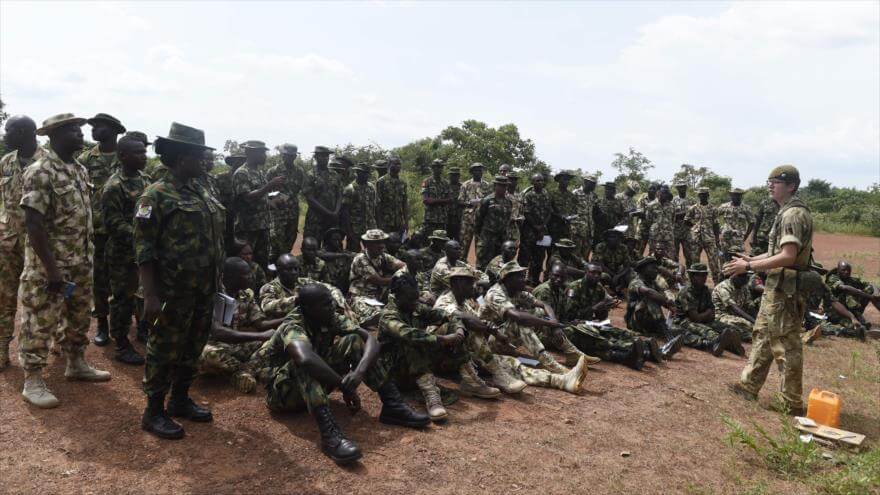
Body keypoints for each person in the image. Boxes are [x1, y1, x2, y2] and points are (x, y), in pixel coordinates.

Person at [264, 283, 430, 465]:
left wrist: (359, 372)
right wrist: (344, 387)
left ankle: (393, 406)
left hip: (315, 386)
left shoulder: (328, 317)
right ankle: (330, 436)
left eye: (331, 302)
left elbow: (370, 339)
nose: (333, 307)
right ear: (307, 309)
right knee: (302, 363)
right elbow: (305, 359)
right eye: (326, 304)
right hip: (283, 393)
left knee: (355, 340)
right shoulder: (293, 324)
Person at [135, 122, 225, 439]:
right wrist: (150, 295)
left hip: (203, 287)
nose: (204, 161)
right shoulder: (155, 196)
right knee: (164, 348)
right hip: (172, 291)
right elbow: (145, 249)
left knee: (193, 345)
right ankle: (153, 411)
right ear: (180, 157)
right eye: (198, 155)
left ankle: (180, 399)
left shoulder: (202, 189)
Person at [16, 113, 111, 408]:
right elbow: (33, 224)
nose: (80, 135)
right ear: (55, 135)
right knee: (40, 320)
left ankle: (76, 362)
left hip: (81, 260)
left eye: (80, 130)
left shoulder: (79, 170)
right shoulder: (40, 171)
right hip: (50, 267)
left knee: (79, 314)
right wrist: (52, 269)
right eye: (73, 130)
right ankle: (32, 379)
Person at [725, 165, 813, 415]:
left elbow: (788, 256)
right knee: (763, 335)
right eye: (769, 181)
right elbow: (777, 253)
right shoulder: (786, 211)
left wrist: (750, 265)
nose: (770, 185)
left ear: (792, 186)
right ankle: (749, 385)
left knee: (786, 344)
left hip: (785, 291)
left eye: (776, 181)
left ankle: (791, 402)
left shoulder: (793, 215)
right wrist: (750, 258)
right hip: (776, 288)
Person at [380, 273, 478, 422]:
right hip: (395, 373)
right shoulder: (389, 316)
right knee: (413, 342)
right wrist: (442, 339)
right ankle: (432, 396)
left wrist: (458, 329)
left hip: (416, 367)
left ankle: (471, 380)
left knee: (449, 327)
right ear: (398, 296)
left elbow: (449, 315)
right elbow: (408, 334)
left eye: (416, 298)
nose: (415, 303)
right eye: (410, 300)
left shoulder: (415, 307)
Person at [564, 263, 682, 364]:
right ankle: (651, 353)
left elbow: (602, 316)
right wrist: (595, 308)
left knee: (621, 333)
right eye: (593, 272)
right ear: (586, 272)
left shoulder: (598, 288)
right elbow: (569, 317)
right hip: (577, 325)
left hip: (592, 323)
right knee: (607, 340)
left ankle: (653, 349)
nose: (596, 276)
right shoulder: (574, 288)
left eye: (599, 274)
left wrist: (604, 309)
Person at [0, 115, 45, 370]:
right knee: (3, 297)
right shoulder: (6, 162)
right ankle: (1, 347)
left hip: (38, 245)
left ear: (22, 132)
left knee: (38, 299)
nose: (4, 135)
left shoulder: (49, 163)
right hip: (8, 242)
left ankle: (41, 352)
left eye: (8, 130)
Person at [78, 113, 126, 347]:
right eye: (93, 126)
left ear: (114, 129)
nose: (93, 130)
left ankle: (122, 327)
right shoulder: (86, 159)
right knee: (99, 280)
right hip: (96, 230)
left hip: (122, 232)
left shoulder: (127, 157)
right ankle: (102, 325)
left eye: (99, 126)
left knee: (123, 280)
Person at [200, 257, 282, 393]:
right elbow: (218, 332)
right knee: (209, 354)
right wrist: (260, 336)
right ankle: (248, 370)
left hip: (237, 346)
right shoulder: (213, 295)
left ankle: (244, 372)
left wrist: (286, 318)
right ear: (231, 277)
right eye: (246, 273)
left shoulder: (246, 294)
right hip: (215, 345)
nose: (251, 276)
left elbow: (260, 323)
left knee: (274, 341)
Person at [102, 135, 150, 364]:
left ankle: (143, 330)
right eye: (138, 153)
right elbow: (112, 223)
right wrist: (140, 234)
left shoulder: (146, 181)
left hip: (143, 251)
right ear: (123, 156)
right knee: (122, 299)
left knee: (143, 294)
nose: (144, 156)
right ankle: (121, 344)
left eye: (144, 151)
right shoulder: (114, 186)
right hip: (123, 253)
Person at [478, 262, 573, 373]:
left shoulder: (516, 291)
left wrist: (554, 323)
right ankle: (550, 363)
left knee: (539, 312)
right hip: (485, 343)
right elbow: (518, 317)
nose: (525, 279)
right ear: (508, 279)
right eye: (520, 276)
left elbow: (544, 305)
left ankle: (571, 351)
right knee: (520, 321)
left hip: (502, 337)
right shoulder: (495, 294)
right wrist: (549, 324)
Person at [674, 263, 744, 357]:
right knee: (709, 332)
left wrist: (706, 314)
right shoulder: (686, 292)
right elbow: (696, 318)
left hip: (704, 320)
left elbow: (712, 313)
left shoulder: (705, 290)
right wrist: (707, 313)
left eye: (704, 275)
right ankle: (721, 346)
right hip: (684, 321)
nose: (703, 278)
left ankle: (728, 343)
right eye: (699, 275)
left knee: (733, 329)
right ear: (692, 276)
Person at [233, 140, 280, 270]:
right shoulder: (242, 173)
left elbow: (262, 197)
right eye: (262, 153)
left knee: (262, 262)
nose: (265, 156)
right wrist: (270, 185)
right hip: (248, 229)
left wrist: (275, 202)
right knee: (245, 264)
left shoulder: (259, 173)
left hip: (262, 227)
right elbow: (247, 197)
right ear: (251, 153)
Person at [348, 229, 406, 325]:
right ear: (367, 244)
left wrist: (404, 274)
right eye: (377, 243)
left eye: (382, 242)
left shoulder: (382, 256)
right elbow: (378, 280)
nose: (381, 246)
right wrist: (399, 278)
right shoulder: (360, 259)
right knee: (379, 316)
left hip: (379, 296)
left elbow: (403, 266)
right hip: (361, 296)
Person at [266, 143, 304, 262]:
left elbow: (302, 190)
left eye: (292, 156)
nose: (290, 158)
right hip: (278, 214)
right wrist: (275, 198)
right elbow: (265, 192)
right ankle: (272, 272)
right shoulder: (273, 171)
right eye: (287, 155)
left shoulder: (299, 172)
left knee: (290, 241)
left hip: (293, 213)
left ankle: (285, 268)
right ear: (282, 155)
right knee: (276, 243)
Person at [519, 173, 554, 284]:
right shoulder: (528, 195)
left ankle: (534, 279)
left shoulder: (546, 194)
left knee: (539, 256)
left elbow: (549, 211)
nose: (540, 183)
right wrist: (536, 227)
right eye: (537, 181)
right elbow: (527, 213)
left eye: (542, 180)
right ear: (532, 182)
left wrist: (543, 226)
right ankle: (521, 279)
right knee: (525, 256)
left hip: (543, 231)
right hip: (530, 231)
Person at [825, 261, 880, 329]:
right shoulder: (832, 278)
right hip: (834, 310)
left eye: (848, 270)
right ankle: (856, 320)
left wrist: (876, 295)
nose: (846, 272)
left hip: (849, 309)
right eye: (843, 270)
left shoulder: (851, 279)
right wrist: (869, 296)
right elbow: (845, 288)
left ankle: (857, 316)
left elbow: (872, 285)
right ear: (838, 270)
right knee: (853, 327)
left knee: (870, 289)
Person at [303, 146, 342, 240]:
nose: (325, 158)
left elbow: (339, 195)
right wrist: (328, 213)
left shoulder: (334, 174)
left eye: (327, 156)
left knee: (331, 248)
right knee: (313, 248)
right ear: (316, 157)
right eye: (322, 156)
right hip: (315, 220)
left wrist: (336, 212)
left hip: (332, 220)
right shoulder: (310, 174)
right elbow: (310, 198)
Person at [685, 187, 723, 283]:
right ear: (698, 196)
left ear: (708, 196)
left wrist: (717, 240)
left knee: (713, 262)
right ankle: (693, 283)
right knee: (694, 262)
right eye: (701, 195)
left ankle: (716, 283)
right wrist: (694, 227)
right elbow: (686, 220)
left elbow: (716, 224)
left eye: (704, 195)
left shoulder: (713, 209)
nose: (702, 196)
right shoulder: (693, 208)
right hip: (696, 239)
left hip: (709, 238)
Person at [473, 177, 512, 270]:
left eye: (505, 186)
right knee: (482, 262)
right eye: (501, 185)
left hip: (501, 238)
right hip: (487, 237)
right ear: (495, 186)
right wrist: (480, 234)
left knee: (499, 262)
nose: (503, 188)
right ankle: (480, 283)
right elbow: (478, 218)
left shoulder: (508, 202)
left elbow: (508, 219)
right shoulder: (487, 200)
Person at [457, 162, 493, 258]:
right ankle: (460, 267)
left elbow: (491, 201)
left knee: (481, 247)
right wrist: (469, 203)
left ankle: (479, 269)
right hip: (467, 220)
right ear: (472, 172)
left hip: (482, 220)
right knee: (463, 246)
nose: (478, 172)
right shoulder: (465, 185)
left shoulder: (487, 185)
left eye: (480, 170)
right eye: (476, 170)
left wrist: (483, 203)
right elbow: (460, 201)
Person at [341, 163, 378, 250]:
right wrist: (349, 232)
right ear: (357, 172)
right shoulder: (350, 189)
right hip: (355, 229)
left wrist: (377, 226)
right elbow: (345, 212)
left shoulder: (371, 187)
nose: (366, 175)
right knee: (353, 253)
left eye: (367, 173)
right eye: (363, 173)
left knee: (372, 253)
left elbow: (375, 207)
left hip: (370, 228)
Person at [712, 271, 756, 342]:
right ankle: (748, 336)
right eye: (742, 276)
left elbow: (750, 305)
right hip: (721, 316)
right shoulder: (724, 287)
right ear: (733, 276)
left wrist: (756, 318)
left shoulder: (744, 287)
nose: (745, 279)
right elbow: (734, 307)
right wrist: (753, 320)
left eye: (746, 276)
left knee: (751, 324)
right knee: (745, 324)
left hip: (736, 316)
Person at [217, 153, 246, 251]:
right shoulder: (221, 177)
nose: (239, 163)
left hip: (242, 220)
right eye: (236, 161)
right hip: (226, 219)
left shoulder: (246, 177)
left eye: (242, 161)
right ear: (231, 163)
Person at [591, 229, 632, 296]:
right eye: (610, 237)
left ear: (619, 239)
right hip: (602, 270)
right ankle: (598, 293)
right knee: (601, 276)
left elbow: (627, 265)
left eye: (615, 237)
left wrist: (618, 276)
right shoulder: (600, 247)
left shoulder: (623, 248)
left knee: (631, 275)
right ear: (606, 239)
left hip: (617, 271)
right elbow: (600, 264)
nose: (612, 239)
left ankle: (623, 291)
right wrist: (613, 276)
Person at [640, 184, 675, 260]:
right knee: (653, 256)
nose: (665, 195)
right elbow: (648, 221)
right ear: (659, 193)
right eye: (663, 193)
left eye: (666, 193)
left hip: (668, 236)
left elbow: (673, 219)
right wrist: (655, 227)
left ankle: (669, 271)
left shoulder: (672, 206)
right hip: (655, 236)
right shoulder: (651, 205)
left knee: (670, 256)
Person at [375, 156, 408, 236]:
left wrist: (406, 222)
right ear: (389, 165)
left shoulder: (402, 183)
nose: (398, 166)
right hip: (385, 223)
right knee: (385, 246)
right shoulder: (381, 181)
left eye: (399, 164)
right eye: (395, 164)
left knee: (398, 245)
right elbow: (378, 204)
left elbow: (404, 204)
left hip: (398, 222)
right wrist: (379, 224)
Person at [421, 159, 452, 236]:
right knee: (428, 241)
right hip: (430, 219)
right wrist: (442, 201)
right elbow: (426, 200)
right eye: (436, 167)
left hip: (442, 219)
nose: (438, 169)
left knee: (441, 241)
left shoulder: (446, 183)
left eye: (440, 167)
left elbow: (449, 200)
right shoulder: (427, 182)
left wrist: (434, 201)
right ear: (432, 168)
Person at [717, 188, 754, 254]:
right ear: (731, 195)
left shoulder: (746, 208)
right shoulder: (724, 206)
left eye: (738, 195)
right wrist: (720, 230)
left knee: (739, 257)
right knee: (724, 256)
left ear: (741, 196)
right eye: (734, 195)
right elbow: (714, 217)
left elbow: (752, 222)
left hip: (739, 238)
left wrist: (745, 236)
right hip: (726, 237)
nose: (736, 197)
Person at [319, 228, 354, 293]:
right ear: (328, 240)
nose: (337, 242)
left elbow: (353, 254)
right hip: (327, 285)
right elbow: (321, 255)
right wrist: (342, 255)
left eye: (339, 240)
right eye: (334, 240)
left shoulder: (343, 252)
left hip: (342, 285)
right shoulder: (323, 252)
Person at [571, 174, 598, 258]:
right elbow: (570, 210)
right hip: (577, 229)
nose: (594, 185)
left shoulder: (593, 195)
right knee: (575, 253)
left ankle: (584, 270)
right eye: (592, 183)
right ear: (585, 182)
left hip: (589, 230)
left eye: (595, 184)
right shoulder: (575, 193)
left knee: (586, 254)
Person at [592, 182, 625, 248]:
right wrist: (601, 217)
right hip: (600, 231)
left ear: (614, 191)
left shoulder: (618, 203)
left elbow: (621, 217)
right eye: (607, 189)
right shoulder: (598, 201)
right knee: (598, 248)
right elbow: (593, 216)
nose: (608, 191)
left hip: (613, 232)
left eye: (610, 189)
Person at [549, 170, 579, 242]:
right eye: (565, 179)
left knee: (566, 249)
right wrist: (560, 216)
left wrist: (572, 217)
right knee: (553, 249)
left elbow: (575, 210)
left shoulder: (572, 196)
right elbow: (548, 209)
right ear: (559, 180)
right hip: (554, 227)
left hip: (567, 228)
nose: (567, 181)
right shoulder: (552, 194)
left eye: (568, 180)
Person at [672, 182, 694, 266]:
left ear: (686, 188)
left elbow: (695, 215)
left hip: (687, 231)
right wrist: (685, 214)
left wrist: (683, 215)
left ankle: (690, 274)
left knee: (689, 255)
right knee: (674, 255)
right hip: (675, 231)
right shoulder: (673, 200)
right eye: (679, 187)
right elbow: (671, 215)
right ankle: (675, 274)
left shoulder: (692, 200)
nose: (681, 189)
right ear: (677, 189)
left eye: (683, 187)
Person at [506, 171, 523, 243]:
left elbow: (521, 211)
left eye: (515, 179)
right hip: (504, 228)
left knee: (513, 250)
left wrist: (521, 218)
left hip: (515, 229)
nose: (513, 181)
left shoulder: (519, 196)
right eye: (511, 179)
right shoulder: (503, 195)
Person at [446, 166, 462, 240]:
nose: (454, 177)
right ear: (450, 176)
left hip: (459, 218)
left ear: (459, 176)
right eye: (452, 175)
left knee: (458, 241)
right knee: (446, 240)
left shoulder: (462, 187)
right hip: (446, 217)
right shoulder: (445, 186)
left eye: (456, 175)